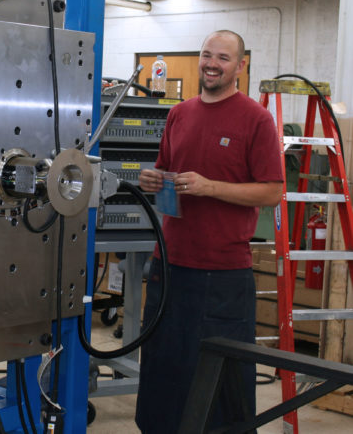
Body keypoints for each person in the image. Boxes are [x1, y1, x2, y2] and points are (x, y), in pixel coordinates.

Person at [135, 30, 283, 433]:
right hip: (168, 266)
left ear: (240, 65)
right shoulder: (179, 114)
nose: (212, 64)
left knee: (221, 384)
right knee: (164, 373)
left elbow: (272, 191)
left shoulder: (255, 119)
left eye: (222, 57)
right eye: (206, 55)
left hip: (220, 276)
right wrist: (154, 180)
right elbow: (168, 170)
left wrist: (210, 187)